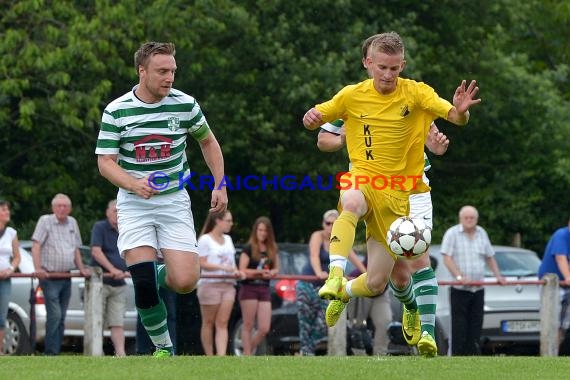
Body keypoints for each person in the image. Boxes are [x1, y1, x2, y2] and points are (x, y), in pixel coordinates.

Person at [302, 31, 480, 357]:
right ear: (368, 63)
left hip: (403, 195)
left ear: (403, 66)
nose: (387, 75)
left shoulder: (417, 93)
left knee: (380, 281)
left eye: (394, 69)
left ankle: (353, 293)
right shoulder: (352, 96)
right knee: (351, 201)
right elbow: (316, 123)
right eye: (382, 67)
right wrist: (311, 119)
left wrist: (461, 111)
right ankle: (335, 274)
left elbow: (455, 117)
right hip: (365, 182)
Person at [95, 41, 227, 357]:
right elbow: (105, 162)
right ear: (142, 71)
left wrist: (219, 184)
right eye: (162, 71)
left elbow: (208, 142)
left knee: (185, 282)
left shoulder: (185, 105)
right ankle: (163, 348)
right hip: (133, 202)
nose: (169, 78)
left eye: (172, 71)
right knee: (141, 283)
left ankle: (157, 272)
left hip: (173, 200)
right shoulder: (117, 110)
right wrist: (134, 184)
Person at [296, 209, 366, 356]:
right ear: (323, 224)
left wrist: (368, 274)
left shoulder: (340, 239)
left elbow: (353, 257)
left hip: (326, 288)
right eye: (328, 223)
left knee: (323, 323)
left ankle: (307, 351)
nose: (330, 226)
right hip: (308, 284)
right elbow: (314, 255)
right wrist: (318, 273)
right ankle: (306, 354)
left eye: (334, 223)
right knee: (305, 323)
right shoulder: (317, 236)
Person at [441, 205, 506, 355]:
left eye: (472, 218)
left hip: (478, 289)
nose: (469, 220)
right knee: (459, 327)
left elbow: (489, 256)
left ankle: (473, 357)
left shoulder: (482, 233)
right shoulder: (452, 234)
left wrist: (498, 276)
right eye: (466, 218)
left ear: (476, 219)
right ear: (460, 219)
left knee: (476, 326)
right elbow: (447, 258)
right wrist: (459, 277)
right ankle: (457, 359)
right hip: (459, 290)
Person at [31, 193, 90, 355]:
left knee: (61, 316)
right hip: (49, 276)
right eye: (59, 206)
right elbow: (36, 245)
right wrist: (38, 268)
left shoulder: (72, 222)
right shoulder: (45, 221)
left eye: (65, 206)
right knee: (55, 315)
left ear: (70, 209)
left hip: (66, 276)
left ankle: (54, 351)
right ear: (53, 208)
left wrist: (82, 268)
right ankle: (50, 352)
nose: (62, 209)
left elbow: (76, 249)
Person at [197, 210, 242, 356]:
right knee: (208, 322)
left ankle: (221, 356)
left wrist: (236, 271)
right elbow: (201, 263)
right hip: (210, 284)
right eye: (228, 220)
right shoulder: (205, 239)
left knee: (222, 322)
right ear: (218, 221)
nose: (231, 224)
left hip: (228, 285)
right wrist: (222, 267)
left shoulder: (228, 239)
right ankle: (210, 355)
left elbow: (231, 263)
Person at [90, 199, 129, 356]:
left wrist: (127, 270)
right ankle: (95, 353)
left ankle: (121, 355)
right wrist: (113, 269)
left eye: (120, 211)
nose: (117, 214)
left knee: (118, 322)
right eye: (115, 211)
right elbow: (96, 251)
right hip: (100, 282)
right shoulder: (100, 227)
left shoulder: (126, 229)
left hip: (119, 283)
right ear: (107, 212)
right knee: (96, 320)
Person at [238, 216, 279, 355]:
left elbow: (276, 268)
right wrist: (260, 272)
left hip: (264, 288)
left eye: (265, 231)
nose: (262, 233)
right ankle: (248, 355)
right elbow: (242, 269)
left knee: (264, 328)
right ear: (255, 231)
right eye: (260, 230)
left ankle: (247, 351)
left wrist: (272, 272)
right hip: (249, 287)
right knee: (248, 324)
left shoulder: (272, 248)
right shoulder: (248, 248)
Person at [538, 217, 570, 351]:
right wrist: (568, 277)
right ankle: (549, 354)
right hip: (552, 285)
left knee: (563, 324)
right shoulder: (561, 235)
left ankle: (554, 354)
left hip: (566, 285)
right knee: (552, 322)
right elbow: (560, 258)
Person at [0, 200, 21, 355]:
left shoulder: (11, 233)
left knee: (2, 317)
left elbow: (17, 257)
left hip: (5, 279)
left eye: (7, 209)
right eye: (3, 209)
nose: (7, 212)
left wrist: (10, 269)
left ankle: (0, 352)